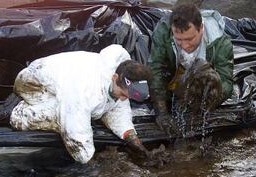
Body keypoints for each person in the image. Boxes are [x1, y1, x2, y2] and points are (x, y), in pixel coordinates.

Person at [10, 44, 152, 163]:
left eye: (126, 97)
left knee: (92, 109)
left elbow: (117, 109)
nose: (122, 99)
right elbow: (75, 132)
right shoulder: (86, 89)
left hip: (63, 85)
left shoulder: (119, 77)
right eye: (122, 94)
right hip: (33, 85)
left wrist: (132, 139)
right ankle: (18, 112)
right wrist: (90, 162)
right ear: (114, 78)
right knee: (60, 117)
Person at [148, 3, 234, 133]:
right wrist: (161, 112)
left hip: (200, 84)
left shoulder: (221, 42)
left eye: (190, 39)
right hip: (172, 74)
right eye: (179, 40)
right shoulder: (163, 31)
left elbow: (227, 82)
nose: (185, 46)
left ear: (201, 28)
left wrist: (207, 103)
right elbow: (155, 69)